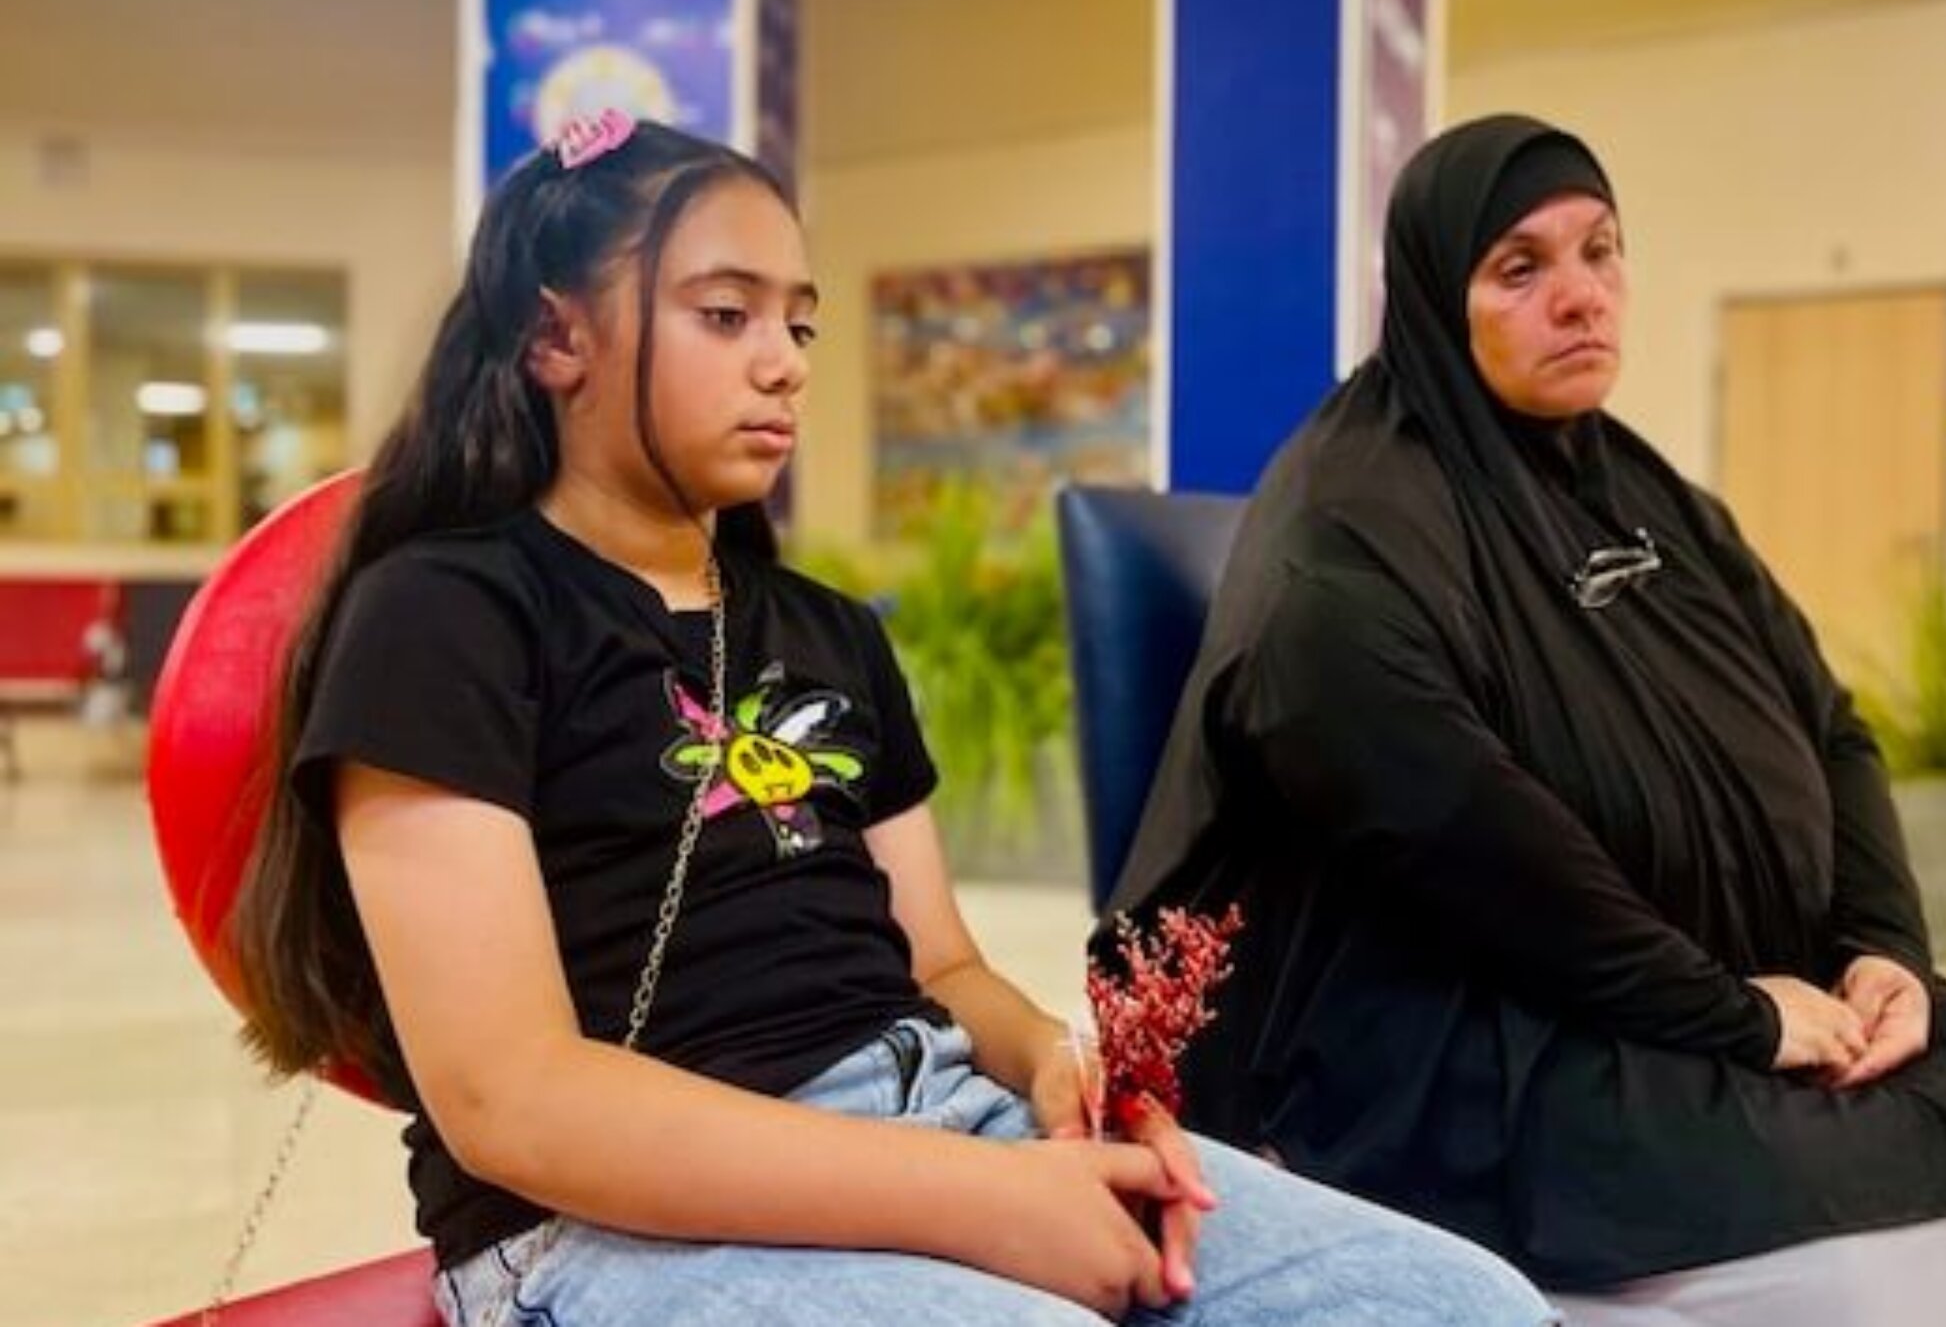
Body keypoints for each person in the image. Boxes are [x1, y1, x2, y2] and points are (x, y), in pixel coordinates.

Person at [226, 112, 1556, 1327]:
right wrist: (980, 1204)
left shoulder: (830, 631)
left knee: (1462, 1304)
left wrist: (1051, 1066)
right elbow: (510, 1100)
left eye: (798, 325)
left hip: (940, 1114)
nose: (781, 365)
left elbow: (943, 969)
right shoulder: (446, 610)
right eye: (725, 313)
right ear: (555, 335)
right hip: (605, 1217)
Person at [1106, 113, 1946, 1326]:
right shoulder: (1349, 534)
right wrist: (1732, 1015)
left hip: (1712, 977)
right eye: (1521, 268)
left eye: (1602, 251)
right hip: (1458, 1032)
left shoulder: (1640, 485)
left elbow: (1830, 725)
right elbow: (1464, 834)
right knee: (1851, 1253)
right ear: (1435, 296)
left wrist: (1881, 947)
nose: (1581, 297)